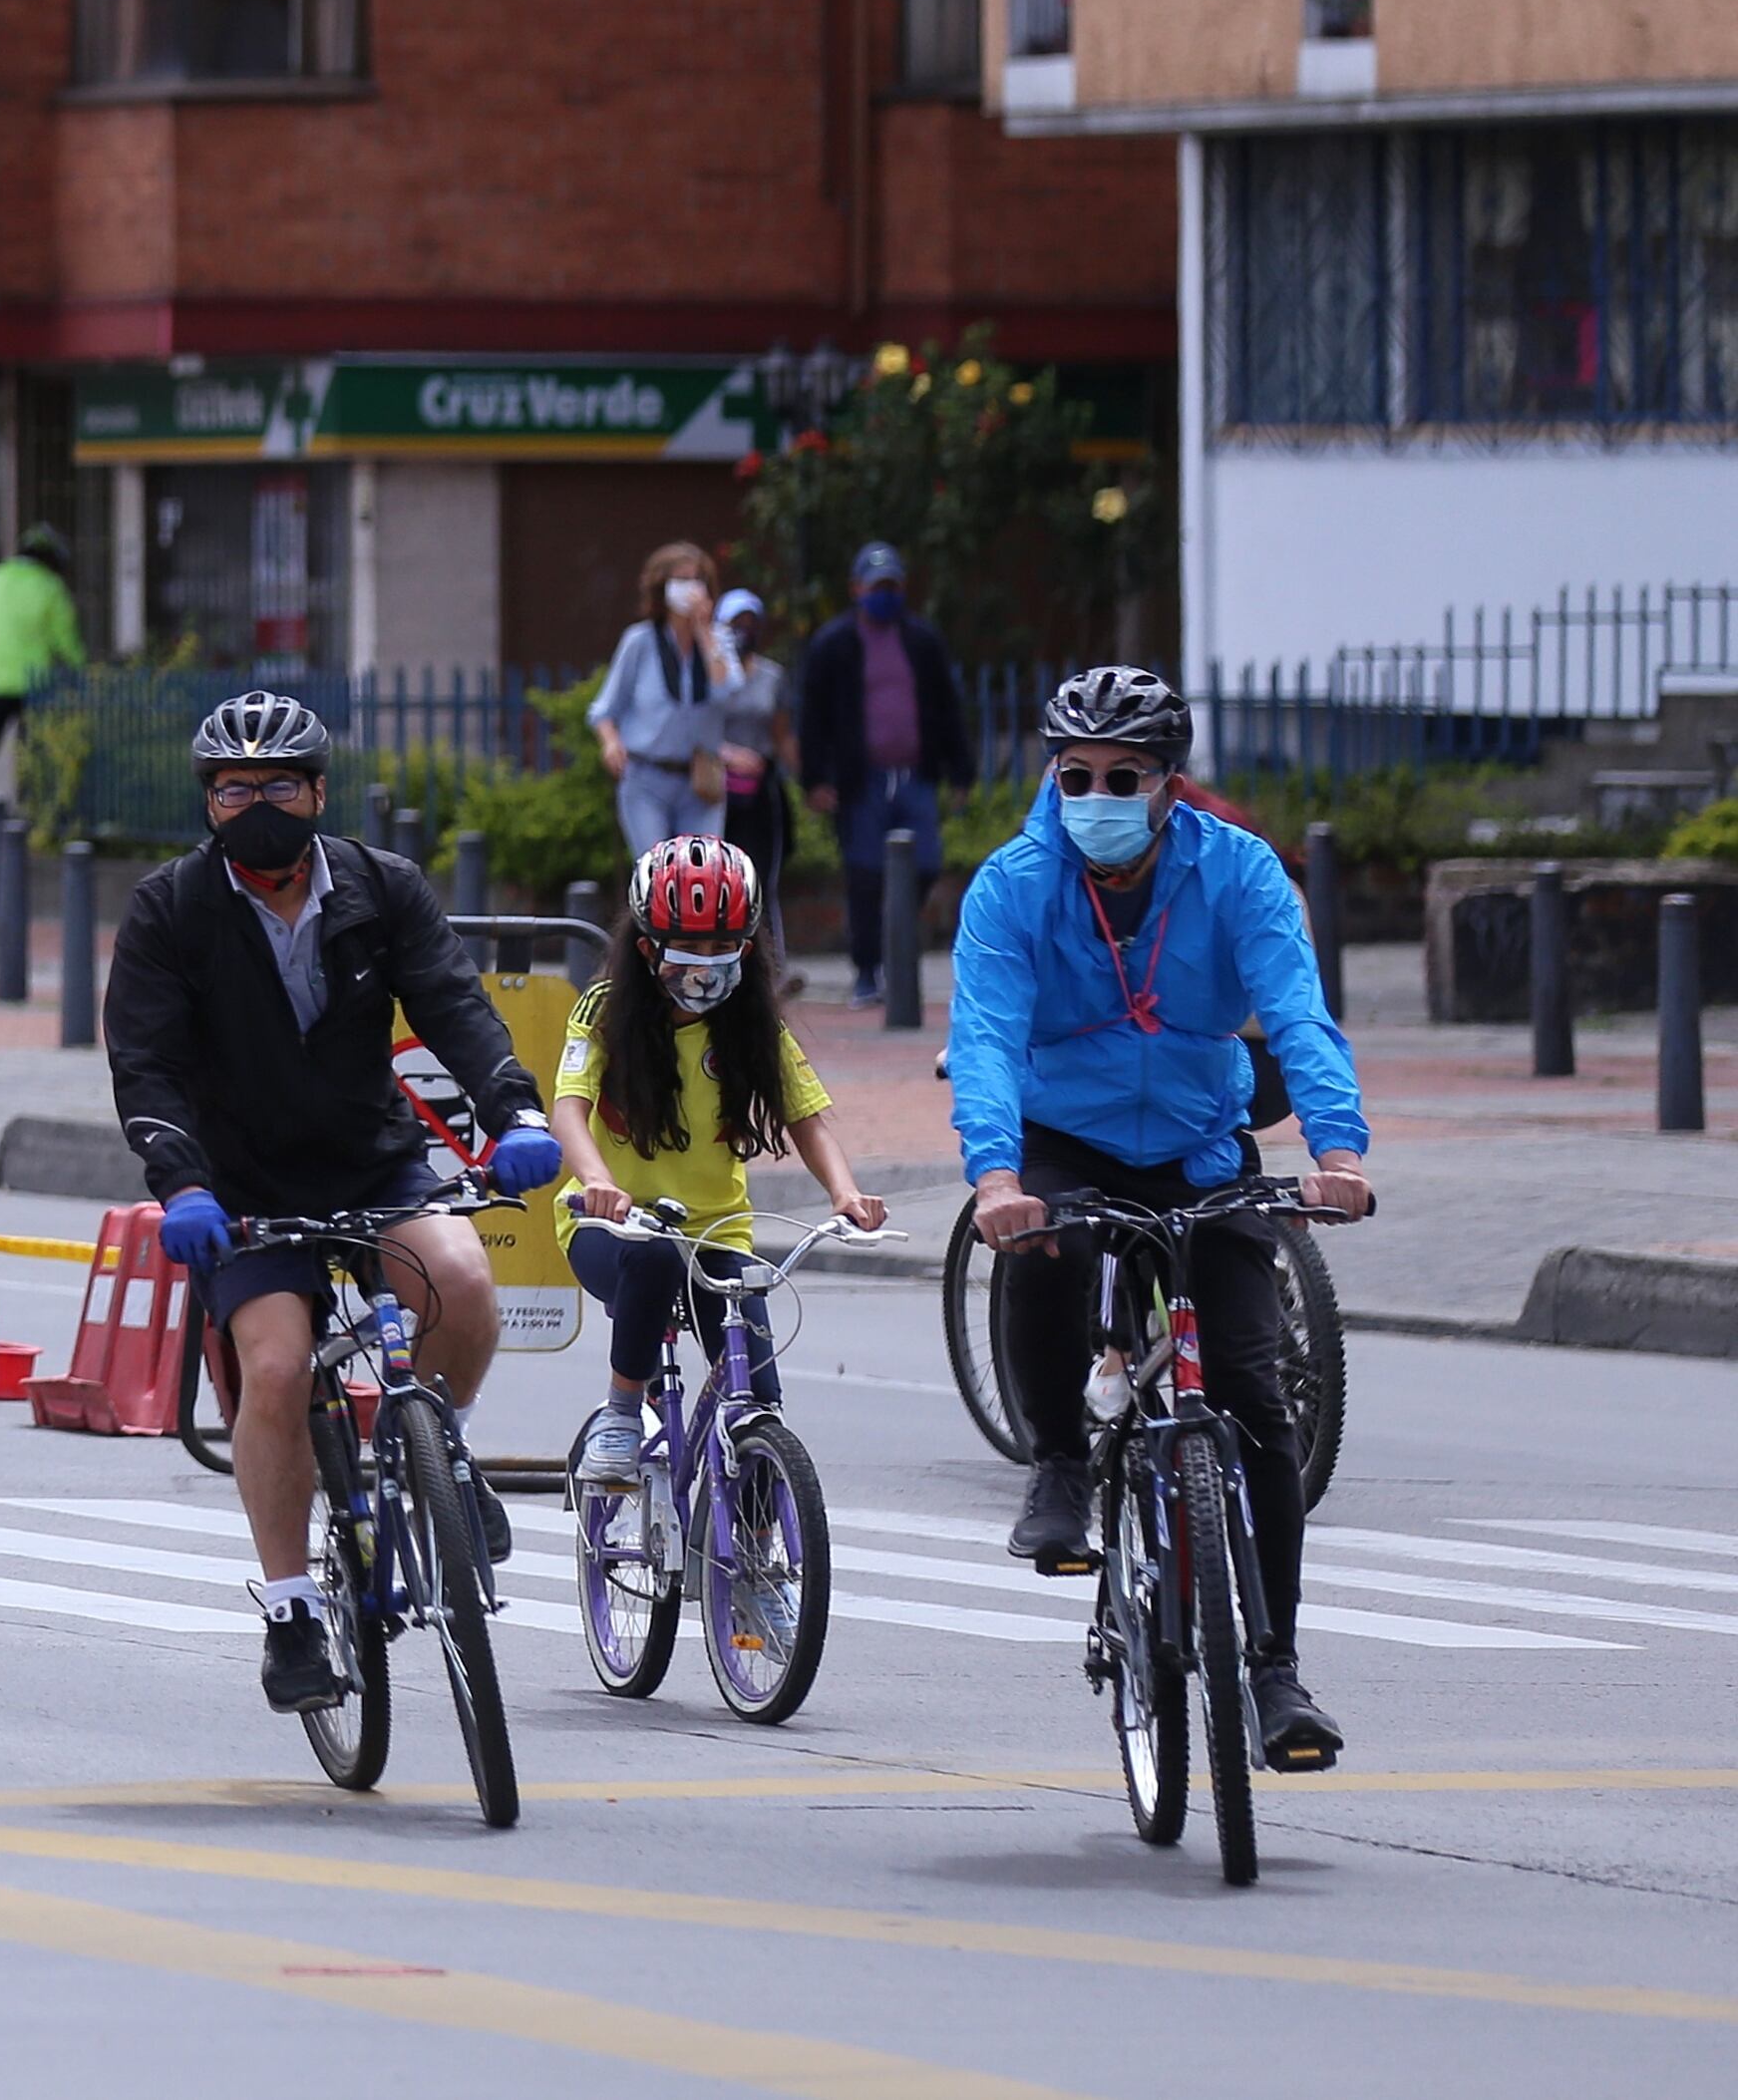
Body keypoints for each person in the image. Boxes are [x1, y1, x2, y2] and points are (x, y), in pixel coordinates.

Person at [106, 689, 565, 1718]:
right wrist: (180, 1182)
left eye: (278, 784)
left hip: (372, 1161)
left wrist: (517, 1117)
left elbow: (454, 1005)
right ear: (207, 802)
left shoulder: (379, 885)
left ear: (317, 791)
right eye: (233, 788)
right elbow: (145, 1065)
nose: (256, 803)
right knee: (271, 1369)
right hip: (239, 1191)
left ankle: (435, 1454)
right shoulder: (167, 909)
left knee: (461, 1282)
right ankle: (290, 1608)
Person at [951, 664, 1372, 1775]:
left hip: (1196, 1144)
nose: (1093, 792)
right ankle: (1054, 1465)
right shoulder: (1010, 886)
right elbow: (987, 1038)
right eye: (1073, 773)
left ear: (1165, 786)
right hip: (1064, 1137)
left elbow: (1294, 1008)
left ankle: (1274, 1663)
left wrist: (1336, 1150)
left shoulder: (1236, 874)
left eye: (1119, 776)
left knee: (1252, 1396)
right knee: (1041, 1242)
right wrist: (995, 1178)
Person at [551, 836, 884, 1491]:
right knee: (650, 1262)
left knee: (756, 1402)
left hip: (716, 1235)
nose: (708, 964)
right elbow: (568, 1109)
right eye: (689, 947)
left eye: (724, 945)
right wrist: (597, 1180)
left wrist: (846, 1194)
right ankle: (622, 1416)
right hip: (614, 1229)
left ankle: (760, 1559)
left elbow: (807, 1119)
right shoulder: (603, 1010)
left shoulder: (751, 1023)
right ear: (647, 946)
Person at [797, 539, 974, 1012]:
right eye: (876, 586)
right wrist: (814, 778)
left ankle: (898, 948)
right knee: (865, 875)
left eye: (892, 585)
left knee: (926, 864)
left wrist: (961, 771)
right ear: (856, 589)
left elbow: (947, 706)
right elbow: (812, 715)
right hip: (861, 782)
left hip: (915, 776)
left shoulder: (922, 641)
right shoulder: (833, 644)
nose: (885, 594)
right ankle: (866, 971)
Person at [588, 540, 734, 868]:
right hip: (646, 776)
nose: (690, 589)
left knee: (703, 873)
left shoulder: (719, 640)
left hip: (700, 780)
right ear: (662, 588)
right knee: (658, 874)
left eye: (696, 580)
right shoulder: (639, 641)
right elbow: (604, 709)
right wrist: (611, 743)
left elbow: (726, 691)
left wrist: (704, 633)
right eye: (680, 580)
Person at [0, 523, 86, 810]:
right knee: (35, 751)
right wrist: (79, 668)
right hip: (36, 685)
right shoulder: (51, 587)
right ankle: (33, 809)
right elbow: (66, 640)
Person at [706, 584, 796, 972]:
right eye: (734, 624)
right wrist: (728, 755)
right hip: (714, 786)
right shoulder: (706, 674)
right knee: (715, 874)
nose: (743, 632)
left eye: (750, 624)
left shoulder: (772, 677)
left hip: (760, 790)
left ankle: (771, 965)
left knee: (759, 877)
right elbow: (695, 728)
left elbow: (782, 734)